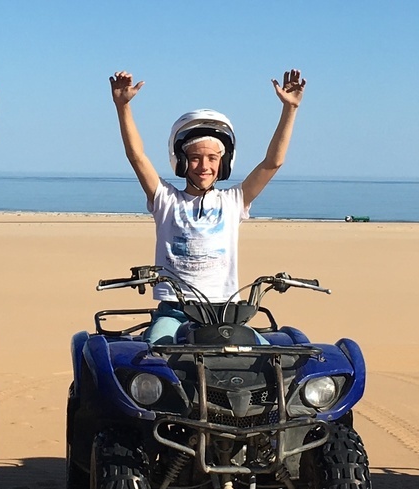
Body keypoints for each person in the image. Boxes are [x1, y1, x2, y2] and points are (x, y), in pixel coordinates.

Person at [109, 70, 305, 344]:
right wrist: (123, 106)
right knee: (157, 354)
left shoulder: (233, 201)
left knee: (267, 357)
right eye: (196, 158)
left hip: (225, 312)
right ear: (181, 160)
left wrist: (290, 109)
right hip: (175, 312)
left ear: (223, 163)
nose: (204, 166)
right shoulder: (166, 200)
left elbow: (271, 163)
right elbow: (137, 156)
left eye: (213, 158)